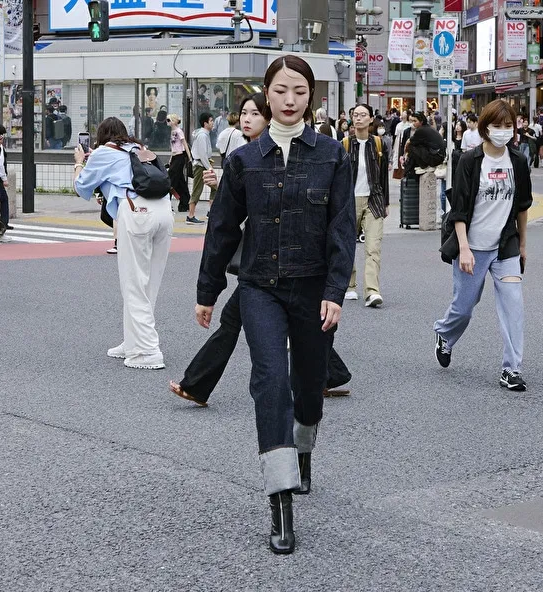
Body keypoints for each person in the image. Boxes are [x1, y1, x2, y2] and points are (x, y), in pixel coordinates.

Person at [194, 55, 356, 554]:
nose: (290, 101)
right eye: (281, 91)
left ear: (312, 97)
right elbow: (222, 228)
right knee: (271, 381)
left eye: (300, 92)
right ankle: (280, 500)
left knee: (309, 388)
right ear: (267, 93)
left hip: (312, 290)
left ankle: (303, 450)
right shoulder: (244, 160)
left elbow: (342, 229)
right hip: (260, 286)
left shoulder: (333, 154)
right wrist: (207, 291)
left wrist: (334, 291)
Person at [436, 99, 532, 391]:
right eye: (497, 125)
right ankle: (445, 335)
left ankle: (511, 369)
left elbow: (523, 207)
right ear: (485, 127)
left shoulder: (518, 161)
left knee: (513, 305)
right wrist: (464, 248)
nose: (503, 131)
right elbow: (460, 210)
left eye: (508, 125)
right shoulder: (469, 160)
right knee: (464, 307)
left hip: (506, 245)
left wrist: (524, 245)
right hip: (473, 245)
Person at [73, 117, 174, 369]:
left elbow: (81, 187)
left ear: (101, 136)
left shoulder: (102, 153)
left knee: (134, 284)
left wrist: (78, 164)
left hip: (137, 213)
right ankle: (132, 342)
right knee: (148, 282)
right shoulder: (139, 149)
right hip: (164, 211)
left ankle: (148, 352)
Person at [343, 103, 389, 308]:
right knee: (346, 246)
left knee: (373, 247)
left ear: (371, 119)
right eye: (356, 115)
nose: (359, 118)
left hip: (374, 200)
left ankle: (372, 291)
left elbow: (383, 175)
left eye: (363, 115)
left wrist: (386, 202)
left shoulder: (378, 144)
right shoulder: (343, 144)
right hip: (348, 200)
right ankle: (349, 285)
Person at [188, 112, 215, 224]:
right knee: (197, 189)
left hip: (203, 164)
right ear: (205, 123)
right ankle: (190, 216)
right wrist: (209, 168)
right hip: (201, 166)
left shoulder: (203, 134)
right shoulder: (202, 135)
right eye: (211, 121)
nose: (213, 123)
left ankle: (212, 212)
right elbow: (202, 153)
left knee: (215, 187)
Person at [166, 113, 192, 213]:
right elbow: (173, 147)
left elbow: (184, 143)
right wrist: (171, 158)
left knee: (171, 180)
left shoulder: (178, 131)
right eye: (167, 120)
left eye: (169, 120)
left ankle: (166, 203)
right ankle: (185, 203)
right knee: (180, 181)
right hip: (175, 157)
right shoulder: (172, 132)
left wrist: (189, 157)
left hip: (180, 157)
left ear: (174, 121)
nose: (168, 122)